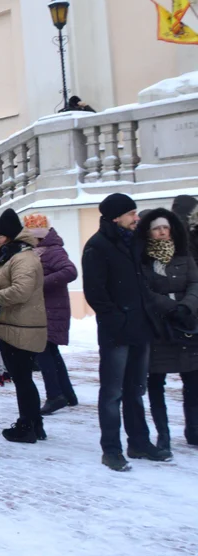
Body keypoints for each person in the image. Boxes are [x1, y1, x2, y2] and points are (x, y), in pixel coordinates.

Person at [82, 193, 172, 472]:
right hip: (116, 333)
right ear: (116, 217)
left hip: (140, 328)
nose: (137, 219)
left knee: (136, 390)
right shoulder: (97, 246)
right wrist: (117, 321)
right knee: (112, 393)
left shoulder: (134, 243)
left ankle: (139, 442)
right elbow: (95, 293)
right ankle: (111, 449)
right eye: (132, 214)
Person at [136, 209, 198, 450]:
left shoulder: (184, 256)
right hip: (157, 328)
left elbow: (195, 283)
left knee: (193, 381)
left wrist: (186, 307)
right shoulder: (142, 259)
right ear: (149, 232)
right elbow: (144, 290)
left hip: (187, 325)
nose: (162, 232)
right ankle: (163, 435)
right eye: (156, 228)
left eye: (165, 227)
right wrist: (170, 307)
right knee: (156, 384)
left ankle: (194, 430)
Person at [0, 208, 48, 444]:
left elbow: (21, 291)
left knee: (23, 379)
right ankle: (33, 423)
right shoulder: (11, 254)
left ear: (11, 235)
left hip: (21, 326)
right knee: (23, 378)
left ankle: (28, 426)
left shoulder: (23, 257)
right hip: (14, 324)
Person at [22, 214, 80, 415]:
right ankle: (68, 394)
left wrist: (40, 283)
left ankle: (55, 396)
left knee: (44, 352)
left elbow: (70, 271)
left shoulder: (52, 251)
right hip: (45, 309)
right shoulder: (38, 251)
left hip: (50, 310)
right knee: (51, 353)